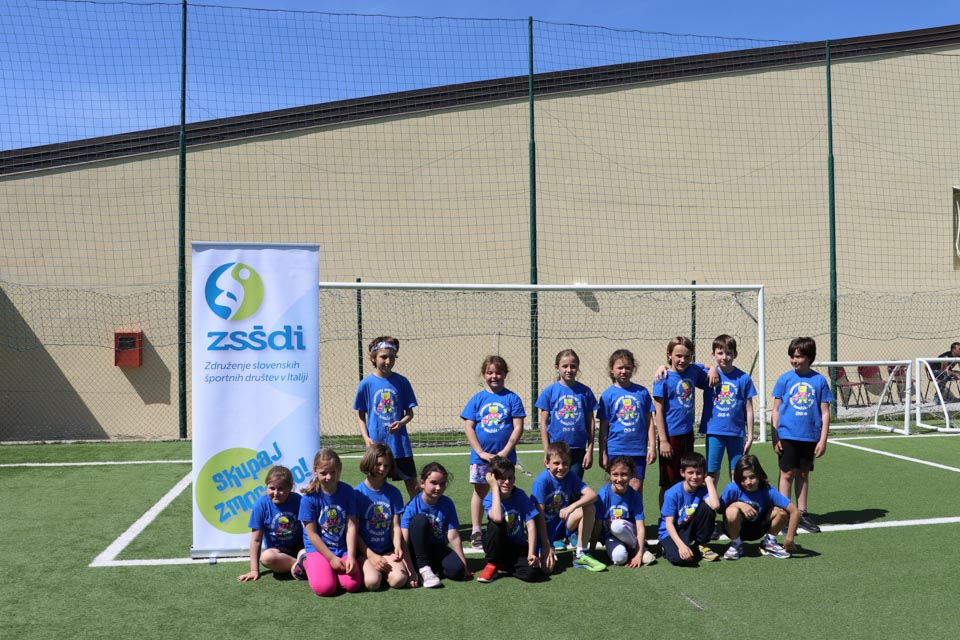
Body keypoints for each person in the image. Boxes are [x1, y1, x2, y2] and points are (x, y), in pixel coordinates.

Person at [462, 355, 525, 549]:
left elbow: (518, 427)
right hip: (481, 458)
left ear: (505, 374)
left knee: (505, 491)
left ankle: (509, 526)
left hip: (505, 459)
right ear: (484, 374)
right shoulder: (477, 399)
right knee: (480, 492)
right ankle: (476, 530)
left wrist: (505, 452)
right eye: (490, 372)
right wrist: (481, 452)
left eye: (498, 372)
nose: (494, 376)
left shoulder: (512, 398)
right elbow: (469, 427)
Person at [771, 336, 832, 534]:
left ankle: (802, 514)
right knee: (787, 473)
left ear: (809, 357)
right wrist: (775, 436)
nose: (794, 360)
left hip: (809, 437)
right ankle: (784, 514)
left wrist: (823, 439)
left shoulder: (819, 381)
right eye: (792, 356)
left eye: (798, 357)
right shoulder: (784, 379)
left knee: (803, 474)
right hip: (787, 435)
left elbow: (825, 412)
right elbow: (776, 410)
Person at [354, 336, 420, 498]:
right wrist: (366, 438)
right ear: (373, 358)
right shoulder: (366, 384)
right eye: (383, 357)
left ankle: (417, 512)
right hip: (377, 444)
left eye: (392, 357)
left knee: (413, 486)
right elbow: (360, 414)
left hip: (400, 445)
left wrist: (401, 423)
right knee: (375, 485)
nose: (388, 361)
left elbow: (409, 413)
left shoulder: (402, 382)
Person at [653, 336, 711, 507]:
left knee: (687, 477)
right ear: (669, 355)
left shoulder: (692, 370)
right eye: (678, 356)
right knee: (668, 482)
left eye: (687, 356)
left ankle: (685, 514)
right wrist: (663, 441)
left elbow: (706, 366)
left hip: (687, 434)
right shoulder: (662, 378)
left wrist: (713, 368)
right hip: (670, 437)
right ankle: (666, 517)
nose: (682, 360)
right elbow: (658, 411)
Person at [297, 448, 362, 597]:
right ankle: (305, 561)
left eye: (333, 472)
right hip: (318, 548)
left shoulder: (348, 491)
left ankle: (330, 570)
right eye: (323, 473)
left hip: (341, 546)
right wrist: (331, 558)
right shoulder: (309, 497)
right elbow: (312, 534)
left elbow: (351, 526)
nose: (329, 477)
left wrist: (351, 555)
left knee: (352, 585)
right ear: (315, 471)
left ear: (339, 469)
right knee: (325, 588)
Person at [530, 441, 601, 572]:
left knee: (589, 507)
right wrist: (546, 545)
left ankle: (580, 554)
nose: (561, 467)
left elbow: (592, 495)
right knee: (547, 569)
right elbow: (538, 517)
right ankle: (547, 548)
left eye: (565, 463)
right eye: (556, 463)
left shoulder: (570, 475)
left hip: (562, 524)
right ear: (547, 463)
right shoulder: (542, 481)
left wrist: (571, 507)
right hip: (543, 529)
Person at [354, 444, 416, 590]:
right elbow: (353, 531)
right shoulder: (357, 493)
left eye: (386, 465)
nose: (382, 469)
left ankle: (384, 571)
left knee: (399, 580)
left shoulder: (393, 493)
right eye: (378, 464)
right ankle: (369, 567)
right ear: (368, 463)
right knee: (372, 582)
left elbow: (395, 526)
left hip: (387, 550)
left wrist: (397, 546)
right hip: (366, 551)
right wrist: (370, 555)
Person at [476, 456, 546, 583]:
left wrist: (531, 553)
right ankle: (493, 563)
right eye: (502, 478)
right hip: (497, 544)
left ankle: (503, 564)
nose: (507, 482)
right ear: (493, 479)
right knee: (495, 525)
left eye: (510, 477)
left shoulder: (520, 495)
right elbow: (497, 518)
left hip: (516, 546)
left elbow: (530, 524)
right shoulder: (489, 498)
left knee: (533, 573)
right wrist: (494, 488)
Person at [401, 462, 471, 587]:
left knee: (457, 571)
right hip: (417, 551)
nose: (438, 488)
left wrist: (464, 564)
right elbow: (404, 540)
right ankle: (423, 567)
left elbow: (453, 536)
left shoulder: (447, 503)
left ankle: (432, 567)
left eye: (442, 483)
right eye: (433, 483)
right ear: (422, 483)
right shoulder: (412, 506)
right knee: (420, 520)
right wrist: (409, 569)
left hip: (437, 547)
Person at [597, 349, 656, 495]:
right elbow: (603, 428)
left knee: (636, 488)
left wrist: (652, 447)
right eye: (620, 368)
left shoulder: (642, 392)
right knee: (618, 487)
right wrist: (603, 453)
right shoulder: (607, 395)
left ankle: (635, 511)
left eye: (627, 368)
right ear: (612, 370)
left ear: (633, 369)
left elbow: (649, 421)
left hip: (637, 450)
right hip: (616, 449)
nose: (624, 371)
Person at [700, 335, 757, 483]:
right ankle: (712, 498)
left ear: (735, 354)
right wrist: (711, 367)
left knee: (737, 472)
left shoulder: (744, 378)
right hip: (714, 431)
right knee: (712, 473)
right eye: (720, 353)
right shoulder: (707, 375)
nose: (724, 357)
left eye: (729, 353)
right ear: (713, 354)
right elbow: (689, 368)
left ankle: (735, 498)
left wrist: (750, 436)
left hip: (736, 432)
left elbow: (749, 409)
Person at [720, 454, 799, 560]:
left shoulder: (767, 490)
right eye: (743, 478)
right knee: (731, 511)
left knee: (780, 512)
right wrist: (738, 504)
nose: (748, 482)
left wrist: (790, 538)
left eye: (752, 477)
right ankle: (736, 544)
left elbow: (795, 511)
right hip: (735, 528)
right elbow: (719, 509)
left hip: (758, 528)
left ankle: (769, 543)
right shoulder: (732, 488)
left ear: (759, 475)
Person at [536, 349, 598, 479]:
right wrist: (547, 450)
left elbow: (591, 422)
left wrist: (590, 450)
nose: (569, 370)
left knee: (574, 486)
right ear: (557, 368)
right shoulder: (549, 392)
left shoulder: (585, 392)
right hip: (556, 450)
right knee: (557, 486)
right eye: (565, 366)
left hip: (578, 449)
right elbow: (543, 422)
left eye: (573, 366)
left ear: (578, 367)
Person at [236, 465, 305, 582]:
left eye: (281, 489)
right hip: (278, 552)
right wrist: (254, 570)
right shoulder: (261, 505)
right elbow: (256, 540)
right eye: (272, 488)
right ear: (266, 486)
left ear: (290, 488)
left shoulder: (298, 500)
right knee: (266, 558)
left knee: (311, 549)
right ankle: (302, 565)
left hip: (300, 547)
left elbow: (310, 527)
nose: (276, 493)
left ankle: (301, 564)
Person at [657, 451, 721, 565]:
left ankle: (700, 545)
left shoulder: (702, 489)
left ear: (704, 473)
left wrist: (709, 481)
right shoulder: (672, 493)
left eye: (699, 473)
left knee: (707, 509)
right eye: (690, 473)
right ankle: (665, 546)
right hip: (671, 531)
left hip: (687, 526)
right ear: (682, 473)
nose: (695, 477)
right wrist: (681, 546)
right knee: (680, 559)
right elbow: (669, 524)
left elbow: (715, 505)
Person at [591, 455, 655, 568]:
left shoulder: (635, 496)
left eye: (624, 474)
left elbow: (640, 527)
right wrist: (591, 551)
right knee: (619, 558)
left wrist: (639, 555)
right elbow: (597, 524)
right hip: (610, 536)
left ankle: (638, 549)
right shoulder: (603, 494)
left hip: (628, 531)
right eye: (615, 474)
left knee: (617, 525)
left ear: (631, 475)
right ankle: (630, 548)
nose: (619, 479)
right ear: (609, 475)